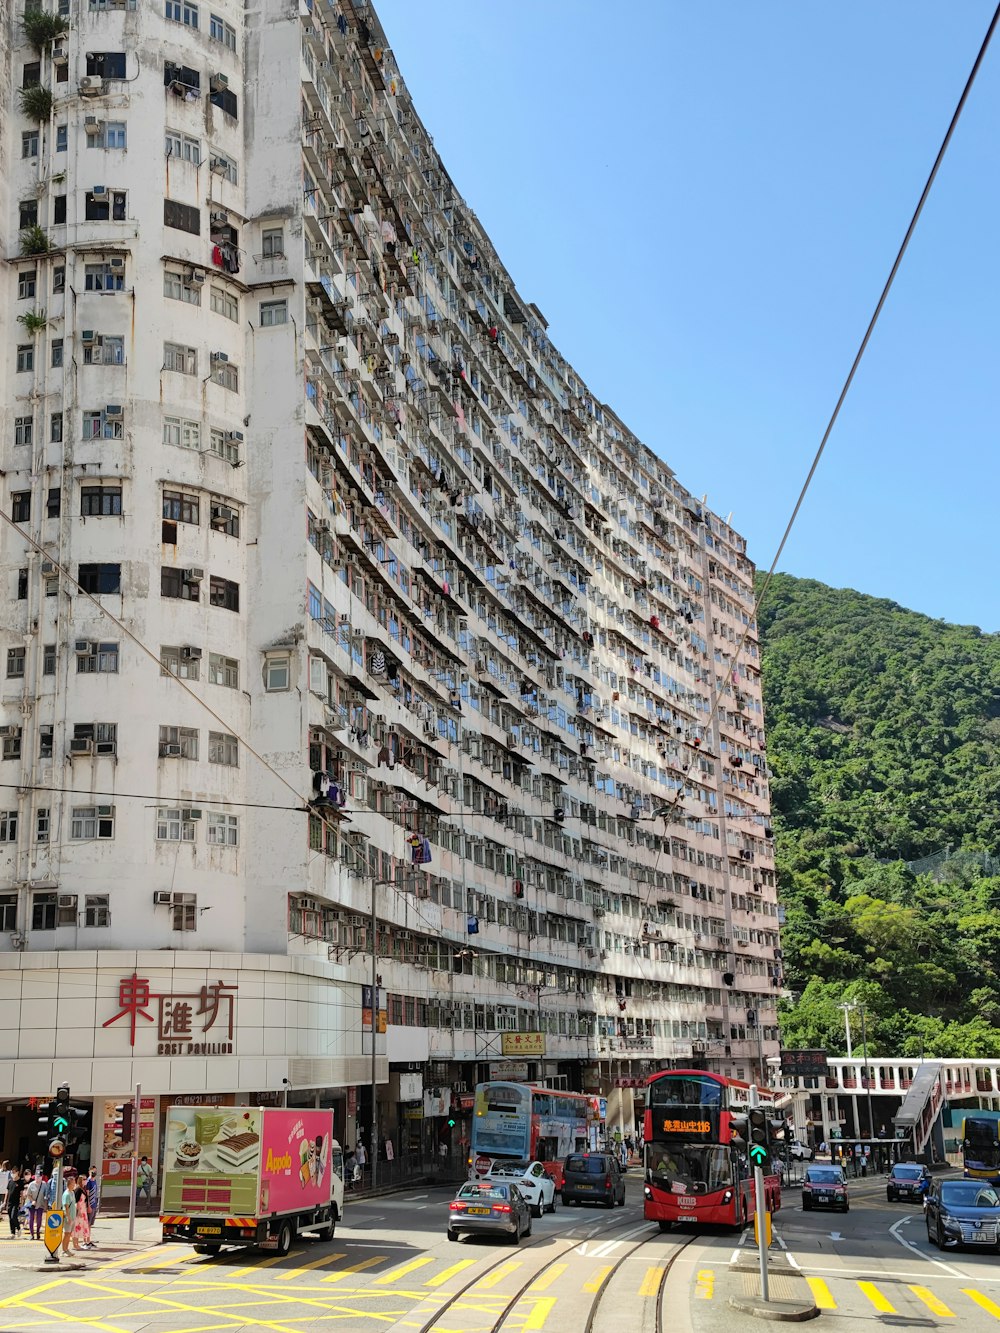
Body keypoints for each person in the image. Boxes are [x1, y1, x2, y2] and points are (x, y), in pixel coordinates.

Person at [25, 1171, 46, 1241]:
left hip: (41, 1204)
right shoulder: (31, 1184)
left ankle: (38, 1232)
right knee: (31, 1219)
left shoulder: (44, 1184)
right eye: (36, 1177)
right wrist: (32, 1200)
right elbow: (28, 1194)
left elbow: (46, 1194)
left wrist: (46, 1203)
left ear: (41, 1177)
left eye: (39, 1177)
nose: (37, 1178)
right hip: (32, 1204)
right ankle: (32, 1234)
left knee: (39, 1219)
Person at [6, 1170, 26, 1238]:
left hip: (16, 1202)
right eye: (12, 1172)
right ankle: (13, 1233)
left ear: (17, 1172)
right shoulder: (10, 1181)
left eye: (14, 1172)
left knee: (13, 1216)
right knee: (10, 1218)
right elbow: (7, 1192)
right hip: (9, 1202)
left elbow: (22, 1193)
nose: (13, 1174)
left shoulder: (20, 1182)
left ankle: (18, 1227)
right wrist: (5, 1202)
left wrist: (22, 1203)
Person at [61, 1179, 79, 1254]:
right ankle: (64, 1250)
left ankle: (67, 1249)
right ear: (69, 1184)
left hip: (73, 1216)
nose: (74, 1184)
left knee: (69, 1234)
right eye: (73, 1183)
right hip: (68, 1217)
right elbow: (66, 1207)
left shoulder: (72, 1192)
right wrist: (68, 1217)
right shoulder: (66, 1194)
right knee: (66, 1234)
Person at [73, 1185, 94, 1249]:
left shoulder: (83, 1189)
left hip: (83, 1210)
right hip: (79, 1210)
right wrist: (78, 1210)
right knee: (77, 1226)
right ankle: (75, 1244)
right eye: (84, 1179)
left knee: (82, 1226)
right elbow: (76, 1201)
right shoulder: (78, 1190)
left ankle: (79, 1243)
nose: (85, 1181)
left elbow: (86, 1200)